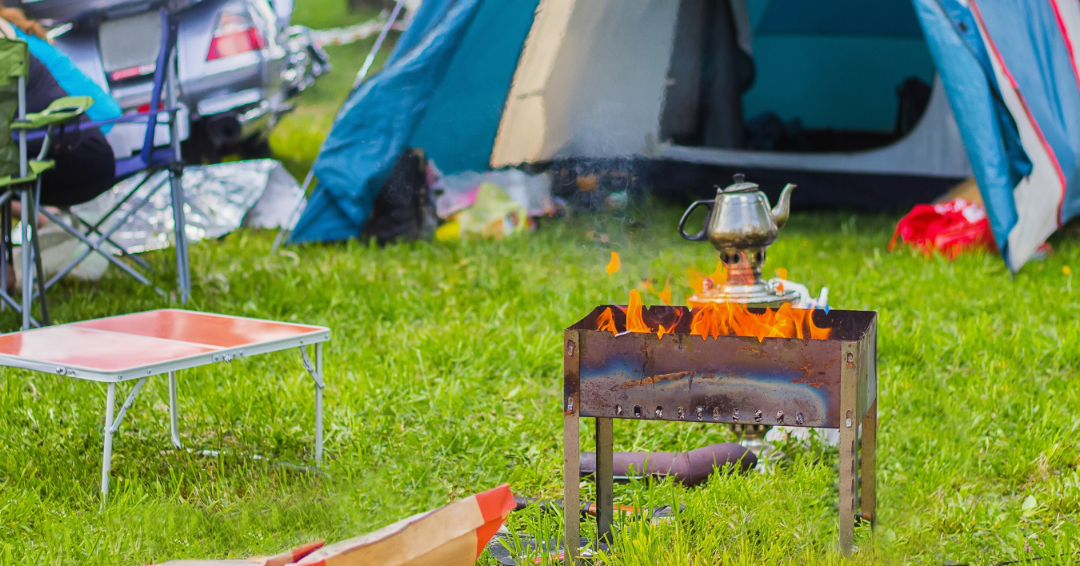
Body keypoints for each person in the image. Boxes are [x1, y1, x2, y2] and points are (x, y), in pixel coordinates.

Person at [0, 10, 117, 207]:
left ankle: (43, 219)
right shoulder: (12, 29)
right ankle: (42, 219)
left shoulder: (9, 43)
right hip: (69, 136)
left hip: (87, 134)